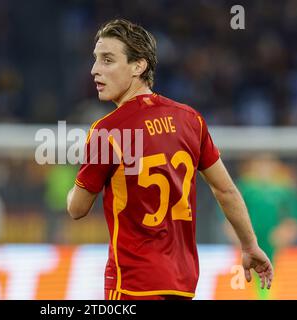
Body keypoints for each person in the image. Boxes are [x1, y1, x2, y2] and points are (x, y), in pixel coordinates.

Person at [66, 19, 273, 300]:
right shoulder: (190, 119)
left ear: (138, 66)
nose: (94, 70)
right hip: (183, 282)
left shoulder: (107, 130)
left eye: (107, 60)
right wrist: (249, 245)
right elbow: (225, 190)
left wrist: (77, 182)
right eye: (96, 60)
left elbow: (77, 208)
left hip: (132, 283)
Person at [222, 154, 297, 299]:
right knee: (248, 272)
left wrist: (287, 230)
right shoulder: (245, 187)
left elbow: (296, 212)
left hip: (272, 238)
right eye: (260, 164)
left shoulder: (283, 188)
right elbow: (228, 209)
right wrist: (235, 233)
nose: (264, 169)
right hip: (250, 237)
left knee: (272, 270)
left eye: (268, 164)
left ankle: (267, 296)